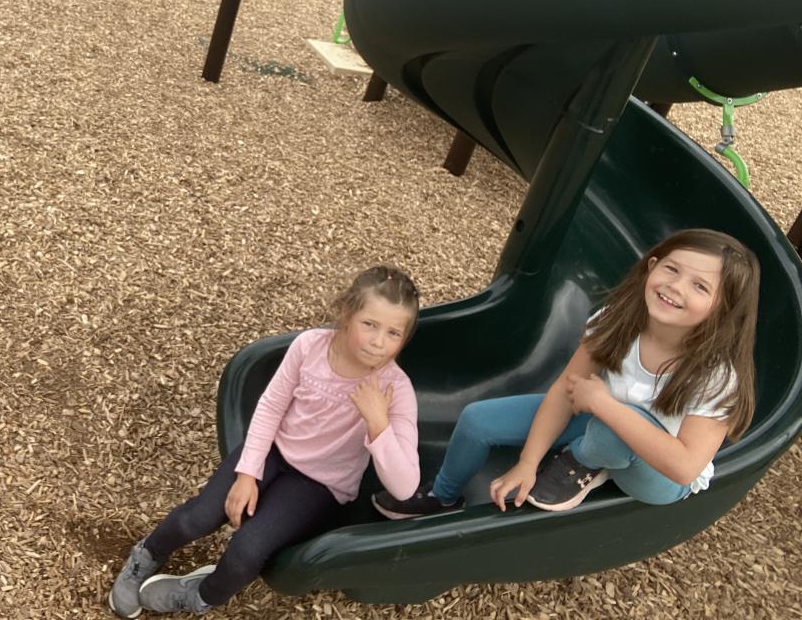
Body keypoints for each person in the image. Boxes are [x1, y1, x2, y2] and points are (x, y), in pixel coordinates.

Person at [374, 228, 758, 520]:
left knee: (610, 430)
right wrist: (528, 462)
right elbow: (564, 391)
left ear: (722, 308)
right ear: (651, 266)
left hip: (659, 476)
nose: (675, 286)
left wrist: (604, 406)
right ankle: (442, 496)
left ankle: (581, 459)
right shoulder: (615, 322)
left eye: (699, 286)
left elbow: (685, 467)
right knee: (477, 420)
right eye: (672, 269)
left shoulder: (717, 377)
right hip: (601, 418)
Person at [110, 266, 422, 617]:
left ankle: (201, 595)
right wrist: (247, 473)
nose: (379, 341)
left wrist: (378, 423)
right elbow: (271, 406)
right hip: (274, 452)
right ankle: (147, 554)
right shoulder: (311, 346)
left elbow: (405, 486)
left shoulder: (396, 390)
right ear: (347, 313)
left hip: (320, 485)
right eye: (370, 324)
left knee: (246, 551)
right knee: (197, 518)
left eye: (393, 332)